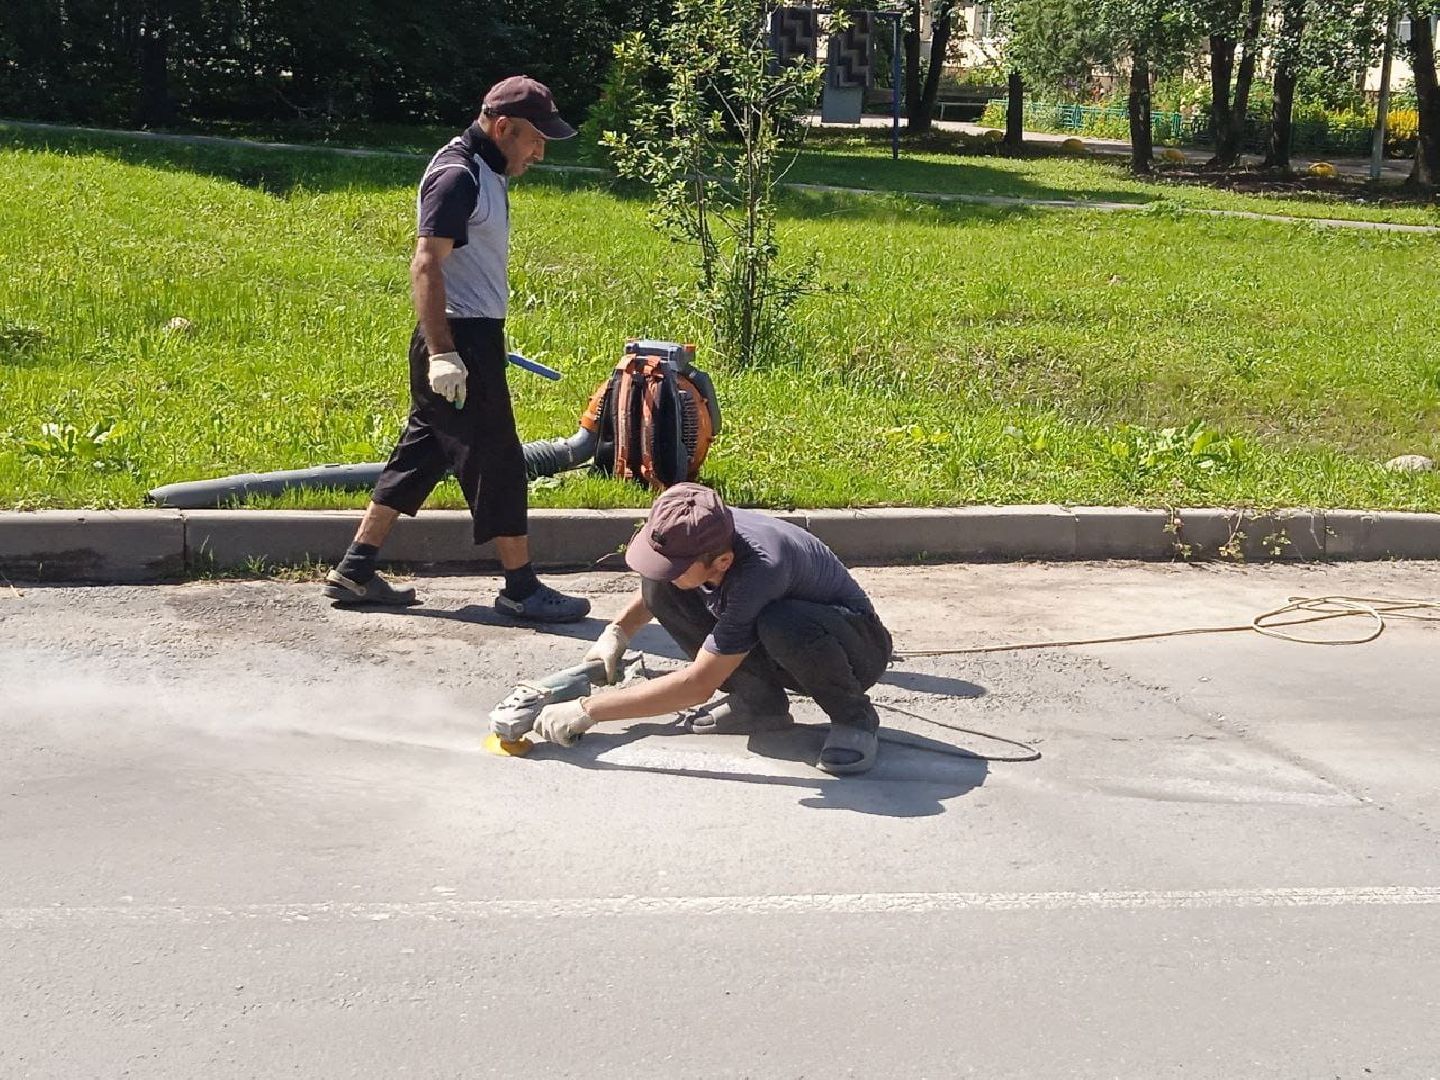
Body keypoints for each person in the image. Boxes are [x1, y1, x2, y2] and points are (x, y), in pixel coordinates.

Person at [323, 75, 589, 623]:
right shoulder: (458, 175)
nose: (541, 152)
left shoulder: (486, 167)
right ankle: (521, 587)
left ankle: (355, 567)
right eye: (535, 139)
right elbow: (425, 264)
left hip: (471, 336)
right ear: (502, 127)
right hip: (457, 339)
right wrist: (446, 353)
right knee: (499, 460)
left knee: (423, 452)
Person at [532, 483, 894, 775]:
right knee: (659, 588)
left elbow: (699, 684)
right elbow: (664, 579)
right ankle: (759, 705)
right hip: (780, 629)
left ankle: (854, 717)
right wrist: (618, 632)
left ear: (722, 561)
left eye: (676, 566)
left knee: (781, 622)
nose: (665, 570)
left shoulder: (760, 572)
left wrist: (589, 709)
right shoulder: (697, 528)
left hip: (853, 648)